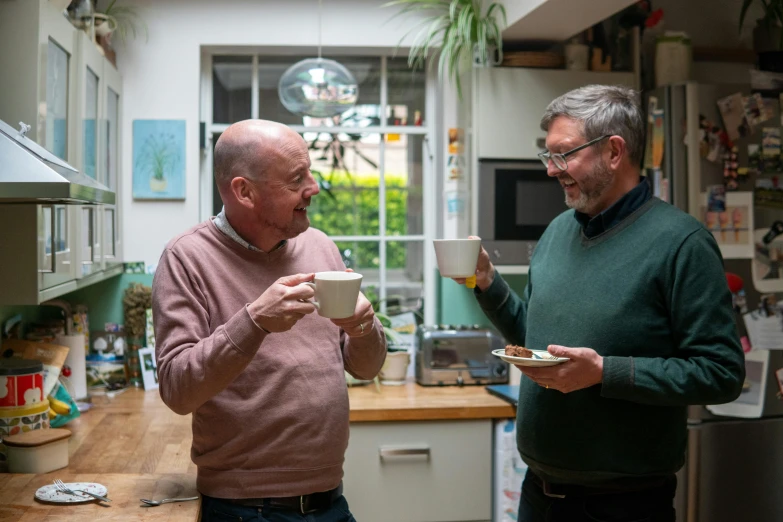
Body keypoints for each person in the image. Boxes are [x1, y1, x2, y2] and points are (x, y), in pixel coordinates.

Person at [453, 85, 745, 522]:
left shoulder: (682, 243)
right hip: (538, 496)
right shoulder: (556, 232)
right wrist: (487, 281)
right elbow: (535, 341)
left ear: (613, 151)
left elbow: (721, 373)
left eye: (564, 154)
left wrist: (605, 372)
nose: (552, 170)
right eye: (547, 156)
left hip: (624, 505)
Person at [152, 119, 387, 522]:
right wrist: (254, 321)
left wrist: (363, 325)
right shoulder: (186, 258)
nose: (313, 188)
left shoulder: (321, 246)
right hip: (244, 509)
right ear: (244, 191)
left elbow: (367, 368)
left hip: (331, 501)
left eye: (310, 172)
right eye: (297, 179)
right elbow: (177, 389)